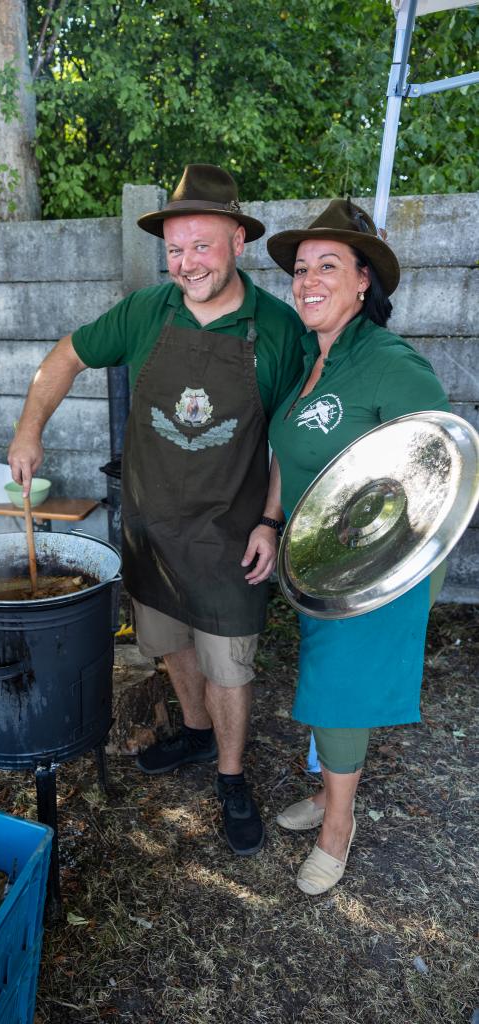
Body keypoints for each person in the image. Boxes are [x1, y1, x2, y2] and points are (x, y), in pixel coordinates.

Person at [8, 164, 304, 856]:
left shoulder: (279, 329)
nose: (186, 263)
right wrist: (29, 428)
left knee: (229, 665)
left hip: (230, 535)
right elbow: (63, 358)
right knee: (170, 644)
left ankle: (231, 776)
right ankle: (196, 735)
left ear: (237, 241)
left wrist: (270, 521)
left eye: (201, 246)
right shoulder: (145, 312)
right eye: (174, 249)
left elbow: (292, 440)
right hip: (152, 527)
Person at [265, 199, 450, 894]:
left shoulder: (388, 363)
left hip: (379, 565)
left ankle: (337, 827)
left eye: (327, 266)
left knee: (335, 690)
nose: (308, 280)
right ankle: (326, 793)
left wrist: (379, 556)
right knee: (328, 680)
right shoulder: (313, 358)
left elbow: (440, 463)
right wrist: (269, 522)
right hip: (317, 559)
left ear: (363, 279)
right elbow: (288, 453)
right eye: (301, 268)